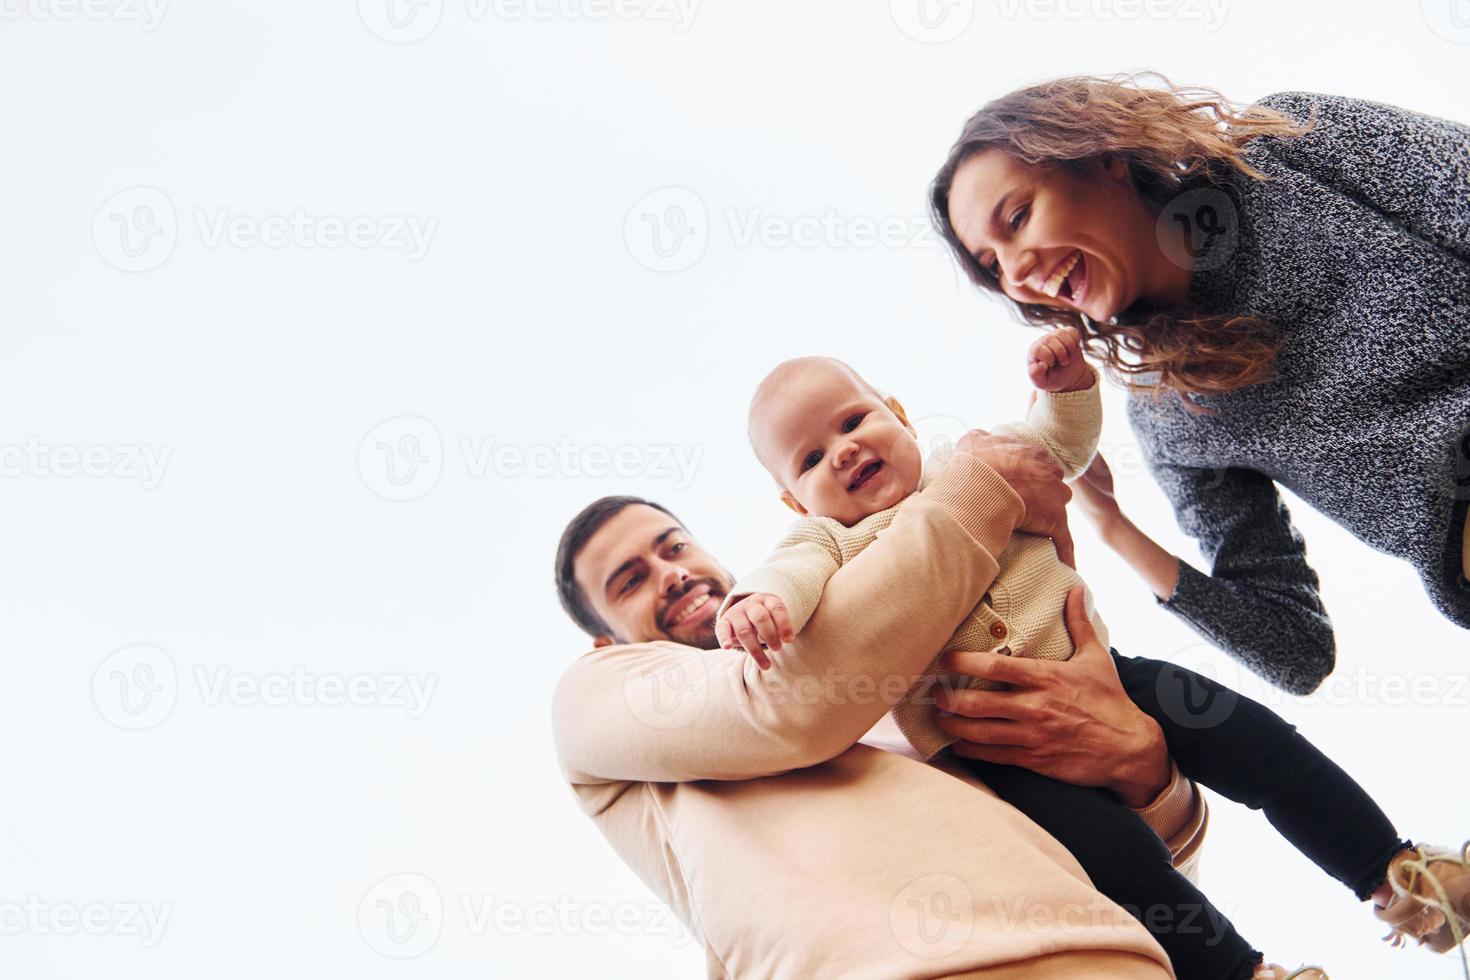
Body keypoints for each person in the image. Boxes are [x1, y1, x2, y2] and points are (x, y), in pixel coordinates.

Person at [715, 342, 1463, 978]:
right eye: (811, 457)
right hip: (995, 754)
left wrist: (1068, 387)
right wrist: (756, 603)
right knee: (1117, 858)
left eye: (853, 421)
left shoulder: (976, 462)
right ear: (793, 502)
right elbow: (788, 576)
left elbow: (1062, 445)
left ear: (900, 413)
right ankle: (1243, 973)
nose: (842, 450)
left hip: (1113, 673)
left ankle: (1397, 872)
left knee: (1262, 745)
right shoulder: (831, 543)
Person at [550, 441, 1211, 979]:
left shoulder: (893, 667)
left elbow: (1134, 863)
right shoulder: (596, 692)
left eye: (674, 547)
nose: (670, 574)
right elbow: (786, 706)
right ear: (606, 637)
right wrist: (980, 490)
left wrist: (1149, 779)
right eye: (629, 580)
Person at [929, 74, 1470, 696]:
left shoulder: (1286, 149)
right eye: (993, 265)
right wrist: (1112, 526)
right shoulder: (1171, 414)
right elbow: (1296, 650)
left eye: (1018, 216)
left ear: (1102, 157)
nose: (1018, 271)